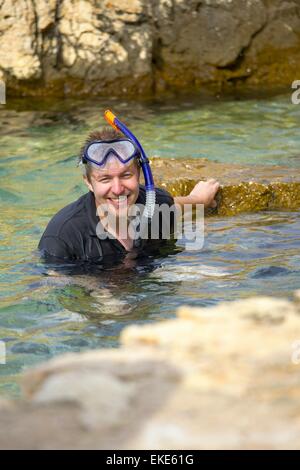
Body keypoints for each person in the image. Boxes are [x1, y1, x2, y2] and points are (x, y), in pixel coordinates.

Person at [38, 125, 219, 264]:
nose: (117, 189)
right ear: (88, 182)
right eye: (105, 179)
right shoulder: (63, 237)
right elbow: (54, 291)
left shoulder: (156, 204)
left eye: (126, 175)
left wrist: (200, 200)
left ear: (139, 174)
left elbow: (175, 206)